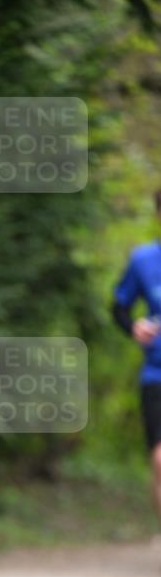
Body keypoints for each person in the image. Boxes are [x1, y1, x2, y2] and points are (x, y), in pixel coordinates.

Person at [113, 190, 161, 522]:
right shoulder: (144, 260)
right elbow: (119, 307)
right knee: (160, 461)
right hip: (156, 375)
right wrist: (135, 327)